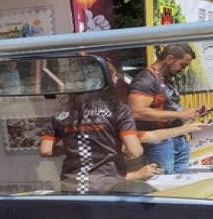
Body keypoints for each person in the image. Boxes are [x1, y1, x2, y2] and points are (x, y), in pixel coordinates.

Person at [39, 65, 144, 194]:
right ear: (105, 80)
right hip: (107, 186)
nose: (117, 78)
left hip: (71, 186)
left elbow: (45, 151)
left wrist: (70, 148)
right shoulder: (118, 110)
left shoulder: (61, 112)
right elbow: (134, 151)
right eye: (114, 75)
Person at [128, 43, 210, 174]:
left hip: (178, 139)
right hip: (158, 144)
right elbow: (137, 112)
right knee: (163, 182)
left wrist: (190, 112)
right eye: (182, 65)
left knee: (181, 182)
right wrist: (180, 115)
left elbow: (168, 108)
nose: (183, 70)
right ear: (169, 59)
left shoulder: (168, 78)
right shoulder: (145, 80)